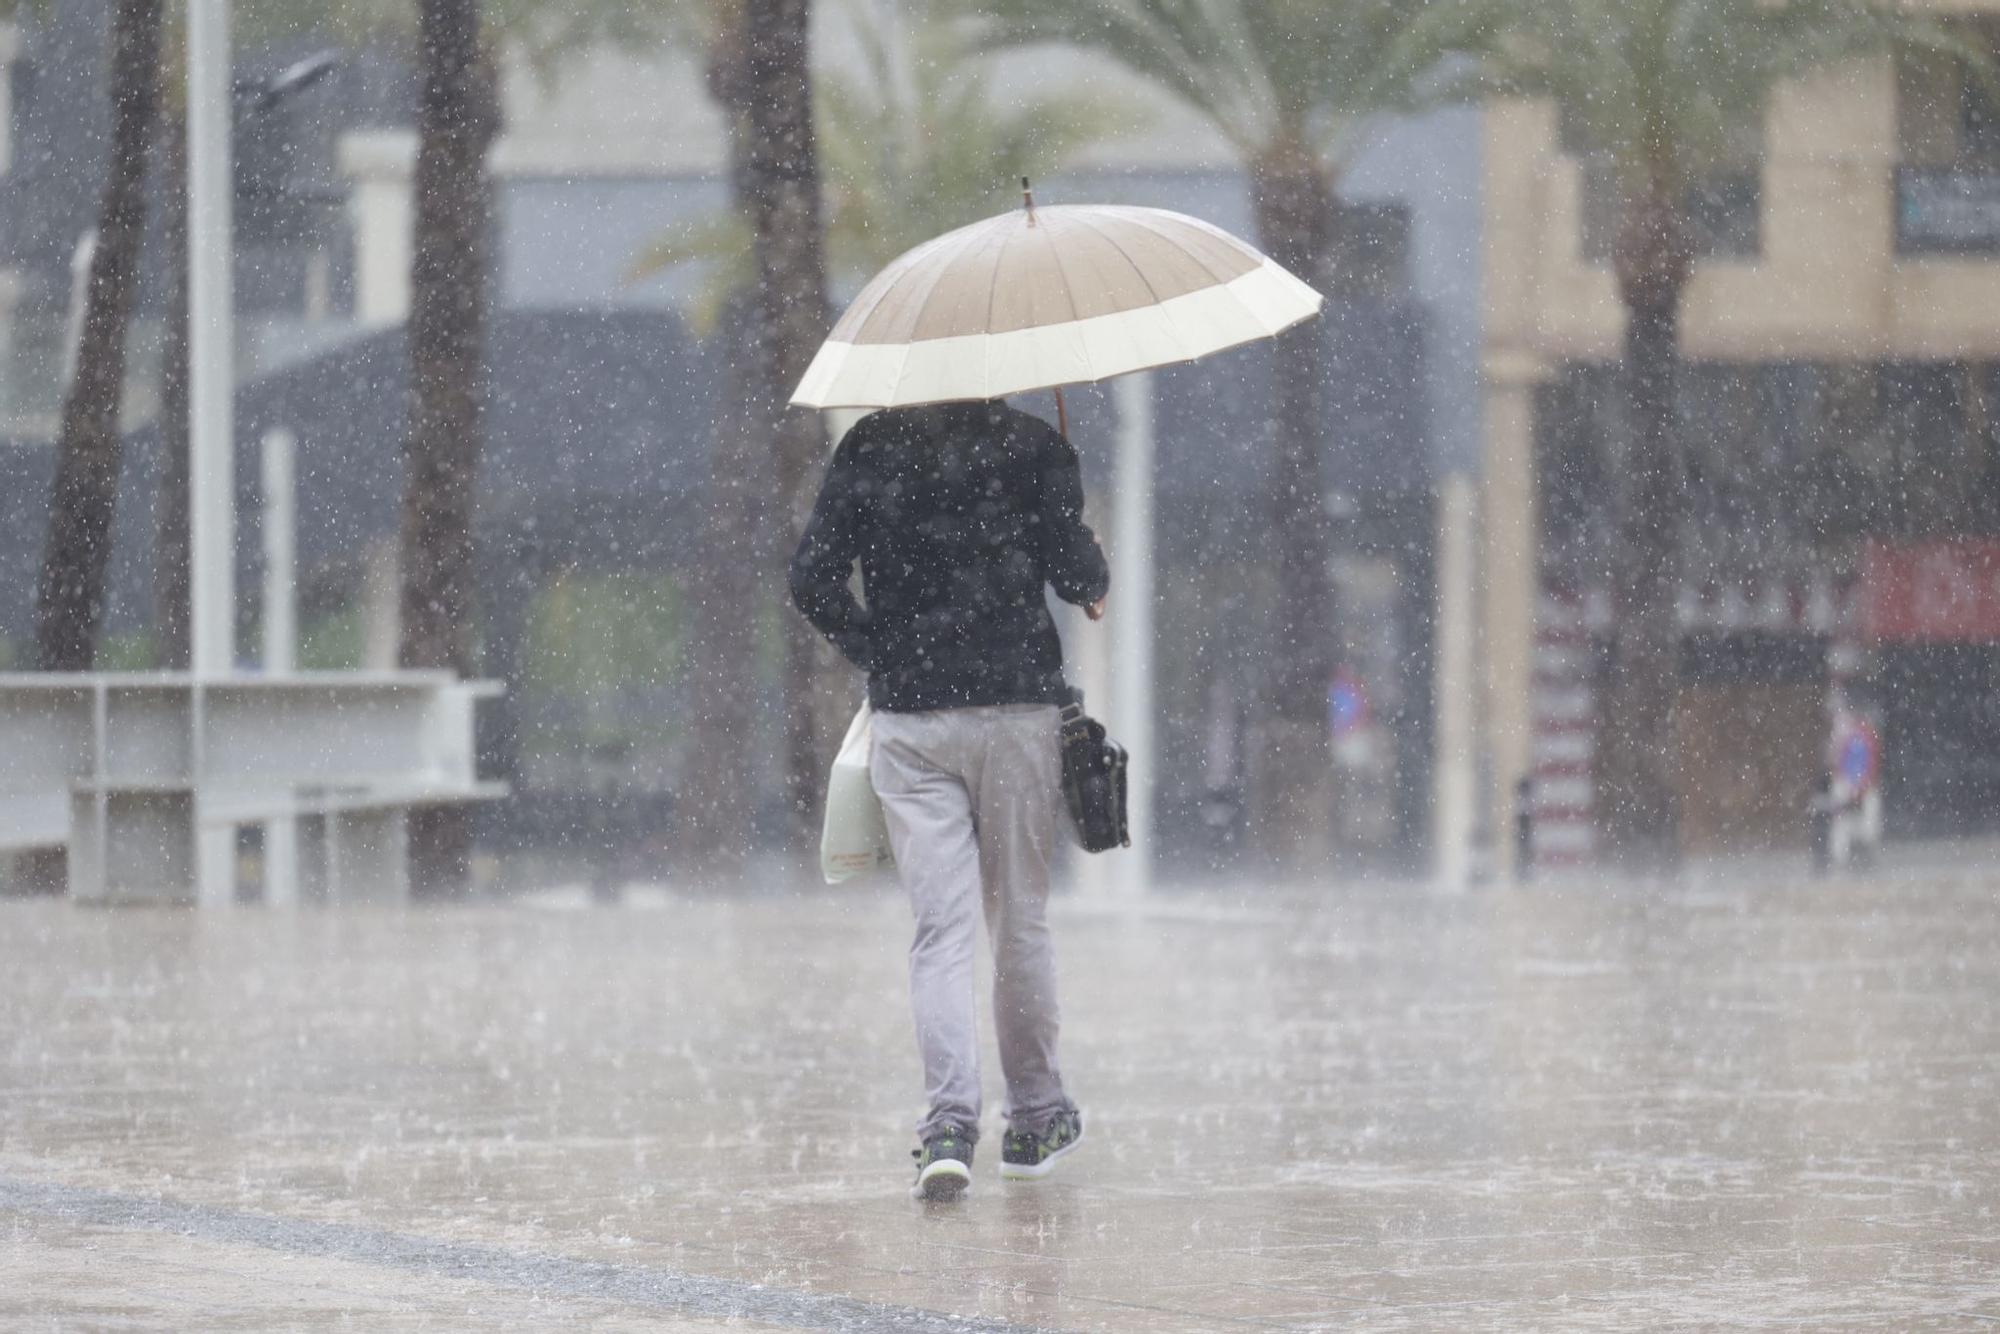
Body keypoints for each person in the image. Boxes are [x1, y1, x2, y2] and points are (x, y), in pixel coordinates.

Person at [789, 398, 1108, 1202]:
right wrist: (1068, 510)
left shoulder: (870, 446)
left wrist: (881, 651)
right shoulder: (1034, 444)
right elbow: (1081, 581)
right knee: (1020, 918)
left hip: (913, 722)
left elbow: (811, 580)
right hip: (1017, 714)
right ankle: (1035, 1117)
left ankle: (948, 1125)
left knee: (941, 930)